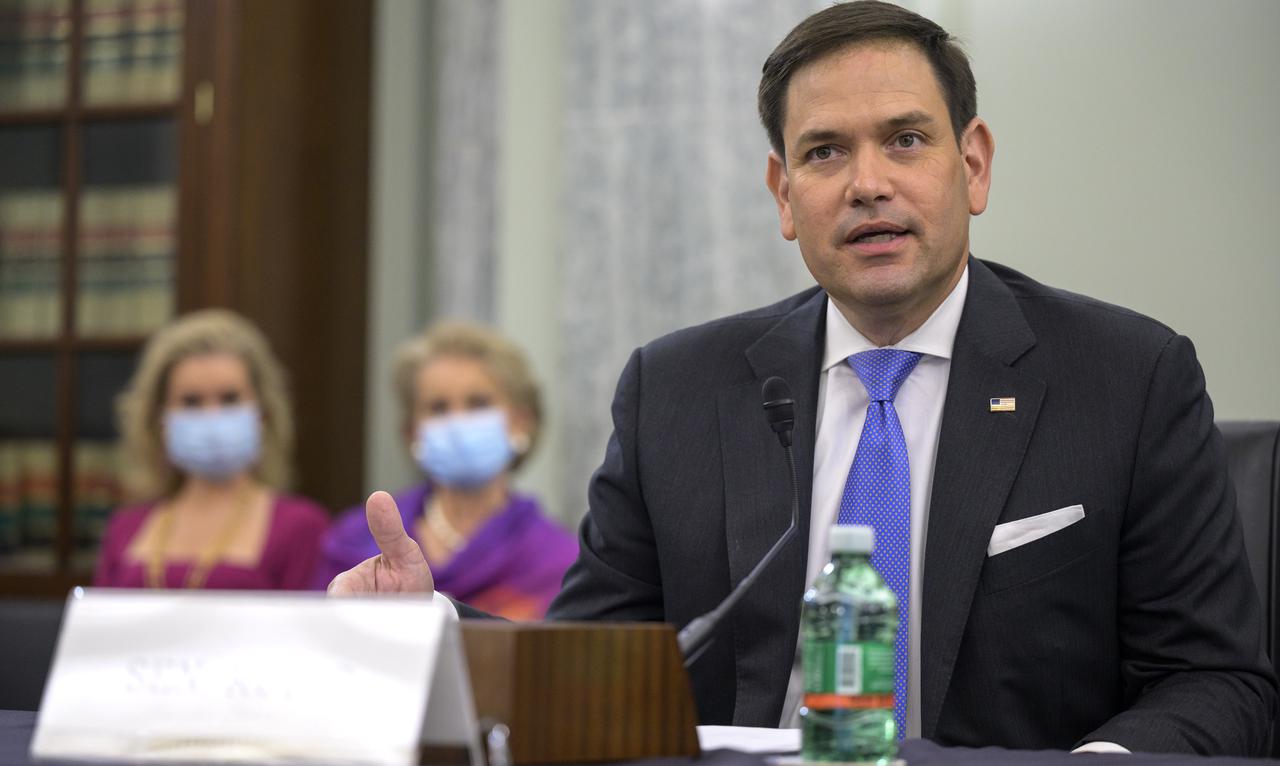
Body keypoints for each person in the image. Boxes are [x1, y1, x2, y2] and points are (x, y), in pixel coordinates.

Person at [328, 1, 1276, 755]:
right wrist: (433, 626)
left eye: (906, 139)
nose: (868, 183)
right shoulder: (678, 392)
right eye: (825, 152)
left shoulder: (1127, 377)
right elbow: (595, 668)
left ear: (973, 166)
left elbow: (1218, 682)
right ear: (785, 195)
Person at [313, 321, 575, 620]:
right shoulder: (357, 539)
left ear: (521, 421)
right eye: (438, 407)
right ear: (412, 431)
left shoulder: (557, 560)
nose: (457, 422)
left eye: (478, 403)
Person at [94, 309, 328, 590]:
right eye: (191, 402)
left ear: (262, 413)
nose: (212, 417)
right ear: (161, 420)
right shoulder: (125, 528)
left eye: (229, 399)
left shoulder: (301, 527)